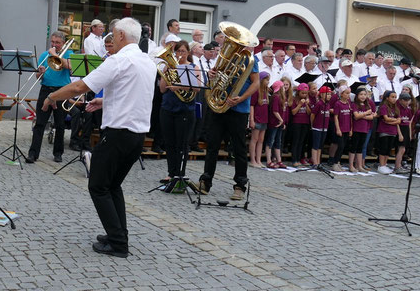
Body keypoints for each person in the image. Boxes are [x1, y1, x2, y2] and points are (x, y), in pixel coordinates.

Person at [40, 17, 155, 258]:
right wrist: (105, 100)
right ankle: (118, 235)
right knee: (113, 186)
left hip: (118, 134)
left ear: (122, 36)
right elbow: (134, 93)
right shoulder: (147, 61)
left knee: (98, 186)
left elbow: (80, 87)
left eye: (112, 35)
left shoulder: (118, 61)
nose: (108, 41)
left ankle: (117, 243)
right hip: (137, 135)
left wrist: (52, 97)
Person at [196, 45, 260, 200]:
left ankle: (240, 185)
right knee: (212, 146)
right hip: (219, 107)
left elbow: (256, 83)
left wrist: (242, 97)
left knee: (238, 148)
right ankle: (205, 181)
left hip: (239, 109)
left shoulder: (250, 60)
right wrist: (212, 74)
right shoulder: (224, 56)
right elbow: (217, 75)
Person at [157, 40, 199, 183]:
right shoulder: (169, 67)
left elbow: (197, 88)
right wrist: (166, 73)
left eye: (183, 51)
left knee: (182, 143)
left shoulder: (193, 67)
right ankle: (171, 172)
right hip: (168, 107)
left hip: (185, 109)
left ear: (188, 53)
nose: (180, 54)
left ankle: (180, 173)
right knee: (169, 142)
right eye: (178, 51)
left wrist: (179, 86)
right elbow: (162, 89)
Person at [25, 31, 72, 163]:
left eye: (57, 42)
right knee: (40, 122)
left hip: (62, 90)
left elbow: (69, 66)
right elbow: (38, 77)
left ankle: (58, 153)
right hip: (46, 89)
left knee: (60, 124)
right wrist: (40, 73)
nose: (54, 44)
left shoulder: (69, 54)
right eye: (53, 42)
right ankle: (33, 153)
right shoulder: (45, 55)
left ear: (63, 43)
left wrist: (55, 55)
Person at [349, 87, 374, 172]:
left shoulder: (367, 105)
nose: (363, 96)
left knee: (360, 148)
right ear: (357, 95)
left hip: (364, 129)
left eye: (364, 94)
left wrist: (362, 116)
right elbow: (356, 116)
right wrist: (366, 113)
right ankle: (351, 165)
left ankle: (359, 165)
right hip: (356, 129)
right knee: (353, 147)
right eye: (361, 94)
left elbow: (371, 117)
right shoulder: (354, 105)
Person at [376, 91, 401, 174]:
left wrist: (392, 121)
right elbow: (386, 118)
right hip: (384, 130)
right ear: (387, 98)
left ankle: (385, 164)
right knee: (383, 148)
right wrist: (395, 120)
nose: (394, 99)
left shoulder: (396, 108)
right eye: (392, 97)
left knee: (388, 149)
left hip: (393, 131)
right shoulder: (384, 107)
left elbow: (399, 120)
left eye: (395, 97)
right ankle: (381, 165)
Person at [248, 72, 271, 168]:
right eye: (266, 80)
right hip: (257, 119)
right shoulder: (256, 91)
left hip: (264, 119)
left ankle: (258, 159)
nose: (268, 82)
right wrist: (251, 119)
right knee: (254, 139)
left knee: (261, 140)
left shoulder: (266, 92)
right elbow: (252, 105)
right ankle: (252, 160)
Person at [329, 85, 353, 171]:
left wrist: (351, 129)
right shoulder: (338, 104)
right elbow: (336, 117)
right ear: (341, 94)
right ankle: (335, 163)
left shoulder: (348, 103)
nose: (348, 95)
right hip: (340, 129)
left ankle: (338, 162)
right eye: (346, 93)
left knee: (343, 147)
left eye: (349, 93)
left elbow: (350, 117)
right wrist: (338, 129)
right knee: (340, 146)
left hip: (347, 128)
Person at [290, 83, 312, 167]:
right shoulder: (294, 100)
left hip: (305, 122)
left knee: (301, 142)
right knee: (296, 141)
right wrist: (299, 104)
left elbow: (309, 113)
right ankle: (294, 159)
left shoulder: (307, 101)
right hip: (296, 123)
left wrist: (306, 104)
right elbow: (293, 112)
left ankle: (299, 159)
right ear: (298, 92)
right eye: (302, 93)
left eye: (306, 93)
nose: (304, 95)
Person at [265, 80, 286, 168]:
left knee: (278, 142)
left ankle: (279, 160)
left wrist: (282, 122)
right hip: (274, 123)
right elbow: (275, 111)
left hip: (279, 123)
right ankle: (269, 160)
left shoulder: (280, 97)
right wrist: (281, 120)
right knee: (270, 141)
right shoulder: (276, 97)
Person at [310, 86, 332, 167]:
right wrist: (312, 124)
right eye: (327, 94)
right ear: (322, 94)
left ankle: (318, 162)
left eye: (330, 94)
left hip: (324, 128)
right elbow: (313, 115)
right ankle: (314, 162)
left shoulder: (328, 104)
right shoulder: (319, 104)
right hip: (317, 127)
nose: (329, 96)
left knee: (320, 146)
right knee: (315, 145)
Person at [393, 92, 414, 173]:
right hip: (400, 128)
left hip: (406, 129)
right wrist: (400, 134)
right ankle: (397, 166)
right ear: (400, 100)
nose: (407, 102)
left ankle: (399, 165)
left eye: (408, 100)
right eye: (405, 100)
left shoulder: (408, 109)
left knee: (404, 149)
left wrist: (409, 134)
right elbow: (397, 122)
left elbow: (409, 122)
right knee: (401, 149)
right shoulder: (398, 108)